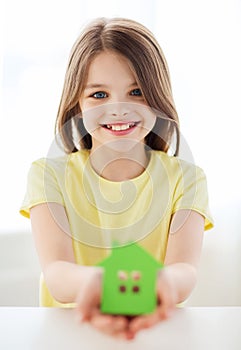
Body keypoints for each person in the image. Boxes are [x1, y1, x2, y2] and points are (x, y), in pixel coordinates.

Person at [20, 17, 213, 340]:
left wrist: (163, 283)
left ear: (157, 97)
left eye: (136, 91)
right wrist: (100, 284)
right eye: (98, 95)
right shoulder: (47, 174)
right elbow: (56, 273)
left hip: (155, 335)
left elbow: (184, 271)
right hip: (69, 337)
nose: (119, 109)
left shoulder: (187, 179)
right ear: (76, 105)